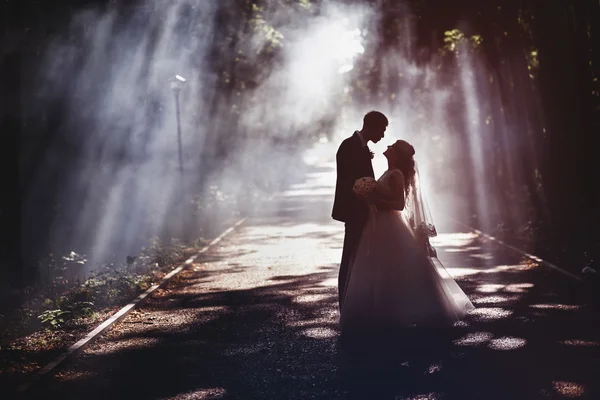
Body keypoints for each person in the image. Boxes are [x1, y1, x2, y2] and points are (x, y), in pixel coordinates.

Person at [340, 139, 474, 335]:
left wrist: (372, 199)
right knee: (382, 267)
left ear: (397, 154)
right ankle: (382, 311)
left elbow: (399, 205)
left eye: (392, 146)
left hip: (390, 225)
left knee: (395, 267)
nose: (388, 146)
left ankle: (404, 310)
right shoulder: (388, 172)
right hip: (379, 224)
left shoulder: (396, 174)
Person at [332, 111, 388, 311]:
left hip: (363, 210)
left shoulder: (361, 147)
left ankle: (357, 301)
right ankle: (345, 303)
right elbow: (348, 181)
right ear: (371, 126)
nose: (382, 136)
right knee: (350, 255)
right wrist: (363, 194)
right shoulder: (349, 146)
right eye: (381, 130)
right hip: (354, 211)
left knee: (359, 256)